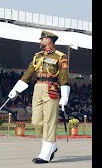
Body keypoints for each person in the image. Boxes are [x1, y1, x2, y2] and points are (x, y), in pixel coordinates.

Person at [8, 30, 70, 164]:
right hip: (38, 89)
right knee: (36, 121)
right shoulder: (37, 56)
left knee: (49, 122)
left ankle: (45, 153)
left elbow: (64, 78)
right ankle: (51, 145)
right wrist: (16, 89)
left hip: (51, 89)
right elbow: (28, 74)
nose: (40, 41)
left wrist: (65, 96)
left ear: (48, 40)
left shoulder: (60, 57)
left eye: (42, 39)